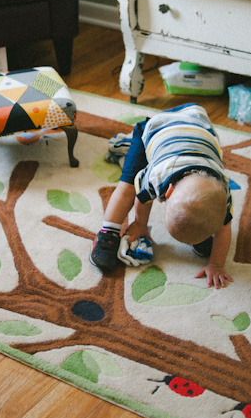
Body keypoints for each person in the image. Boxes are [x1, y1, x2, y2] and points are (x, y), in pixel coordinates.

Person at [91, 103, 234, 288]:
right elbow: (142, 197)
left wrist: (216, 265)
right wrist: (141, 225)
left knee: (204, 231)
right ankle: (107, 232)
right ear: (169, 191)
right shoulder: (157, 176)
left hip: (195, 128)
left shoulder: (222, 195)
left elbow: (224, 229)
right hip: (153, 130)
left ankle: (125, 146)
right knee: (128, 187)